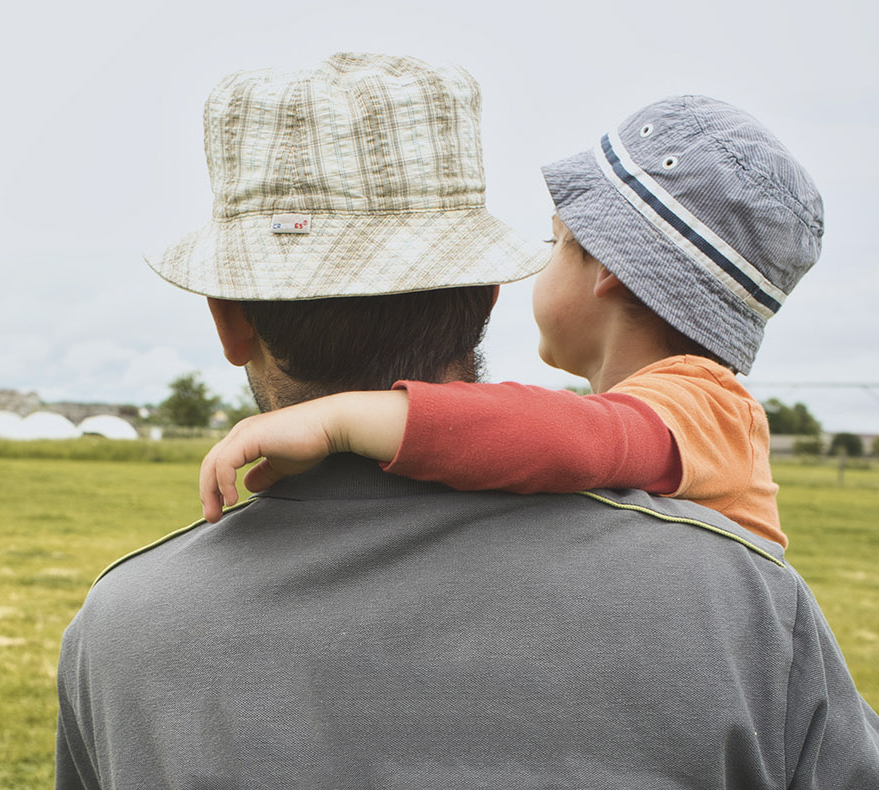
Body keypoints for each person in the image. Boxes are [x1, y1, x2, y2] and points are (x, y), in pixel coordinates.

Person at [55, 53, 879, 789]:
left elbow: (581, 433)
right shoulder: (749, 608)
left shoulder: (117, 635)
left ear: (228, 320)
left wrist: (356, 419)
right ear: (486, 296)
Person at [199, 94, 818, 549]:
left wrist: (340, 420)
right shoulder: (682, 414)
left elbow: (565, 437)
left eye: (554, 245)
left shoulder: (706, 407)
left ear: (609, 268)